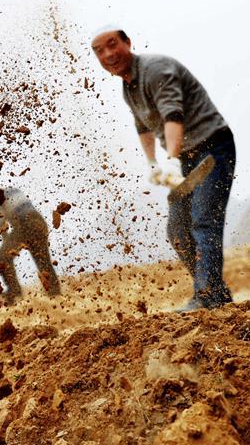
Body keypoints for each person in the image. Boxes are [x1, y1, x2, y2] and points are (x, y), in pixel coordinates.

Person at [91, 27, 236, 311]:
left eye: (112, 45)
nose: (108, 54)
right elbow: (142, 124)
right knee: (178, 230)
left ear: (128, 43)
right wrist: (153, 163)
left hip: (212, 147)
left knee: (203, 219)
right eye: (99, 51)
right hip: (187, 155)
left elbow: (173, 115)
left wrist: (169, 159)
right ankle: (214, 294)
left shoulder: (156, 69)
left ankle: (208, 297)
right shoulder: (128, 86)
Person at [0, 184, 61, 302]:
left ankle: (15, 292)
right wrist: (9, 243)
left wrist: (8, 244)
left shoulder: (8, 194)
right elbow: (3, 228)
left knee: (3, 254)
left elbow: (15, 215)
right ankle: (55, 292)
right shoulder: (2, 202)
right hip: (37, 224)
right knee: (42, 260)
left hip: (28, 223)